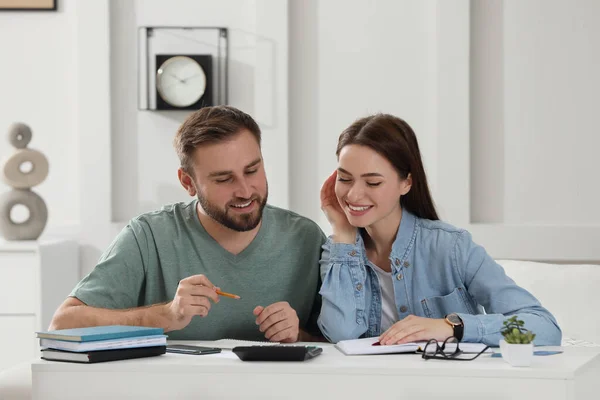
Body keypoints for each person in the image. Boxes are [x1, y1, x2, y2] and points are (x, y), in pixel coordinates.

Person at [50, 105, 325, 342]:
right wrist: (166, 315)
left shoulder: (306, 238)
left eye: (252, 170)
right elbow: (63, 325)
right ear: (187, 182)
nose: (245, 190)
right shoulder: (149, 236)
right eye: (223, 179)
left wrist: (299, 335)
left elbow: (347, 343)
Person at [317, 113, 561, 346]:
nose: (353, 194)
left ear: (407, 183)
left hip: (449, 386)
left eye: (373, 182)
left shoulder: (452, 247)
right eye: (345, 179)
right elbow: (341, 333)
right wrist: (343, 232)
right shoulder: (338, 252)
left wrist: (452, 327)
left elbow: (544, 327)